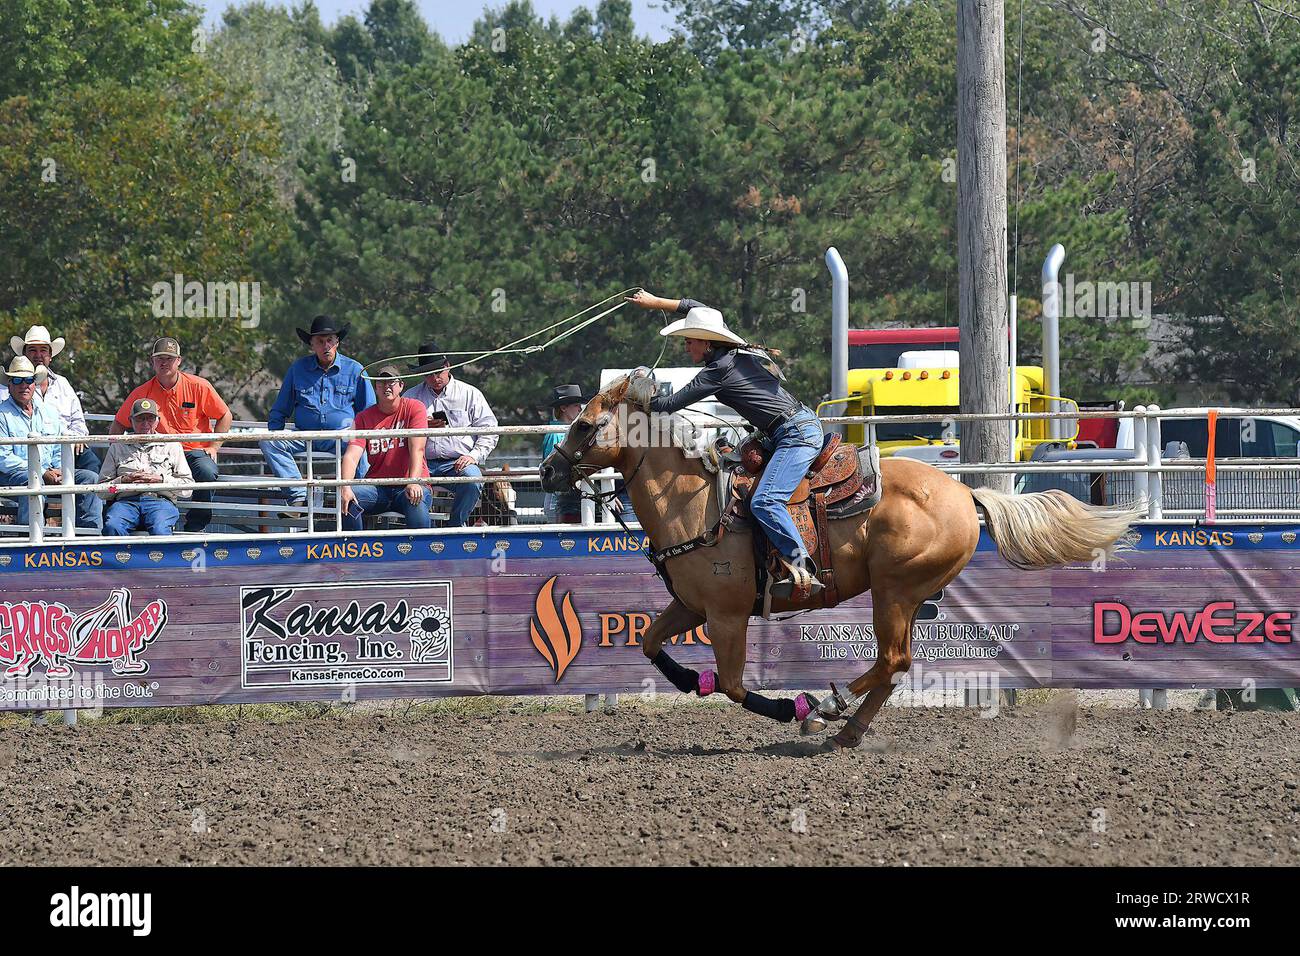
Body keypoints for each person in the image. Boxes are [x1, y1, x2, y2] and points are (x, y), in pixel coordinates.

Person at [626, 290, 825, 598]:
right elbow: (696, 306)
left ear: (707, 343)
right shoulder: (731, 357)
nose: (687, 346)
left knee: (764, 501)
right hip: (788, 429)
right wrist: (656, 303)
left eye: (690, 340)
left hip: (794, 434)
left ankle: (802, 567)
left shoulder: (716, 372)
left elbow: (667, 405)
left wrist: (642, 389)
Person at [110, 337, 231, 534]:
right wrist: (119, 453)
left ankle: (195, 526)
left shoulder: (199, 386)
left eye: (169, 358)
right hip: (159, 454)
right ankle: (139, 517)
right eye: (159, 358)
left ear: (179, 361)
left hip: (194, 451)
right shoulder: (142, 392)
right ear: (152, 362)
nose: (164, 362)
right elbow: (118, 424)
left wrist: (214, 446)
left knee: (207, 471)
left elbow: (225, 415)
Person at [261, 315, 375, 511]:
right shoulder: (298, 368)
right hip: (305, 434)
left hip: (342, 436)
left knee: (359, 446)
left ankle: (365, 498)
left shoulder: (355, 369)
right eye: (320, 341)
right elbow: (280, 409)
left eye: (330, 340)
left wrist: (366, 439)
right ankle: (298, 495)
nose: (326, 346)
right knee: (268, 441)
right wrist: (275, 431)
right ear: (311, 344)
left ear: (337, 342)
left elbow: (369, 411)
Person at [0, 357, 102, 531]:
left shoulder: (49, 412)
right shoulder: (2, 414)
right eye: (17, 380)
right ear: (9, 385)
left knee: (90, 479)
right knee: (32, 480)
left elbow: (56, 448)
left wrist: (59, 470)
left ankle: (90, 536)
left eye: (28, 380)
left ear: (34, 384)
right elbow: (3, 459)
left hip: (49, 472)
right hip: (12, 475)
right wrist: (42, 472)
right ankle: (30, 539)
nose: (23, 385)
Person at [405, 342, 498, 528]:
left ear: (447, 367)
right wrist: (422, 425)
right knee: (411, 490)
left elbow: (490, 429)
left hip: (456, 462)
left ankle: (454, 526)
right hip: (420, 463)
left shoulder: (470, 394)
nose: (434, 378)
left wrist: (473, 455)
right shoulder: (411, 397)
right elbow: (398, 434)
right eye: (428, 374)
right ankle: (423, 532)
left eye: (438, 372)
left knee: (473, 479)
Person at [338, 366, 431, 531]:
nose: (386, 386)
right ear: (376, 388)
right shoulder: (362, 418)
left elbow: (417, 449)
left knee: (415, 499)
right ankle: (354, 551)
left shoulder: (415, 408)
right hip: (378, 488)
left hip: (408, 485)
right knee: (349, 498)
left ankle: (422, 553)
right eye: (381, 383)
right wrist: (345, 487)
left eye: (391, 382)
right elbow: (351, 456)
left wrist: (414, 481)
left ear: (401, 386)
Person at [1, 325, 99, 473]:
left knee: (91, 465)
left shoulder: (63, 383)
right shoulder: (5, 391)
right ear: (24, 354)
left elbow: (78, 421)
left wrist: (75, 439)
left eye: (43, 350)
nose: (38, 355)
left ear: (50, 356)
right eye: (33, 350)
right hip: (25, 455)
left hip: (65, 446)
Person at [99, 398, 193, 536]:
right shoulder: (117, 446)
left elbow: (188, 488)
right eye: (140, 419)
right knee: (112, 526)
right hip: (126, 502)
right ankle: (122, 558)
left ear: (158, 421)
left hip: (161, 502)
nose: (145, 424)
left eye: (150, 419)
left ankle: (159, 558)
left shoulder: (172, 445)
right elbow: (101, 490)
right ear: (131, 421)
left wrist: (160, 480)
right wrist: (123, 481)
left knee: (160, 529)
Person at [542, 384, 585, 523]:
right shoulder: (556, 434)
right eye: (576, 405)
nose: (580, 408)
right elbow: (551, 468)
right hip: (558, 496)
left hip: (563, 495)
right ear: (563, 408)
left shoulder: (561, 431)